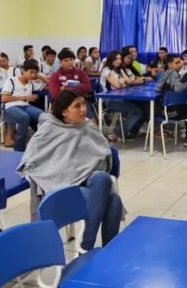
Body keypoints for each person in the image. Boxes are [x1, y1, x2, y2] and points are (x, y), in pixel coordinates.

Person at [18, 90, 123, 250]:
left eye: (83, 104)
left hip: (88, 182)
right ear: (64, 112)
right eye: (77, 106)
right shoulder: (49, 129)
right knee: (114, 201)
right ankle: (95, 249)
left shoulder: (88, 127)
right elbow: (32, 160)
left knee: (102, 178)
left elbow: (102, 155)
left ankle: (92, 246)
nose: (83, 109)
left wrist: (85, 168)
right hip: (60, 187)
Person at [99, 52, 146, 137]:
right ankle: (117, 133)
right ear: (111, 59)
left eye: (120, 59)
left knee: (145, 108)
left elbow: (129, 81)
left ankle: (132, 132)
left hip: (122, 97)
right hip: (110, 100)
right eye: (116, 59)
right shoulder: (106, 70)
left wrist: (124, 80)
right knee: (136, 112)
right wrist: (122, 81)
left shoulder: (119, 69)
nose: (119, 61)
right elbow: (117, 85)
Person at [1, 60, 43, 152]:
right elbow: (4, 98)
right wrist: (25, 97)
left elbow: (49, 85)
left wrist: (40, 76)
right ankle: (19, 149)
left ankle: (43, 143)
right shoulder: (11, 80)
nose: (33, 75)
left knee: (42, 115)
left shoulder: (31, 83)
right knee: (24, 117)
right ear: (24, 71)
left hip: (25, 106)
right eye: (31, 72)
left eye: (35, 73)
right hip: (11, 107)